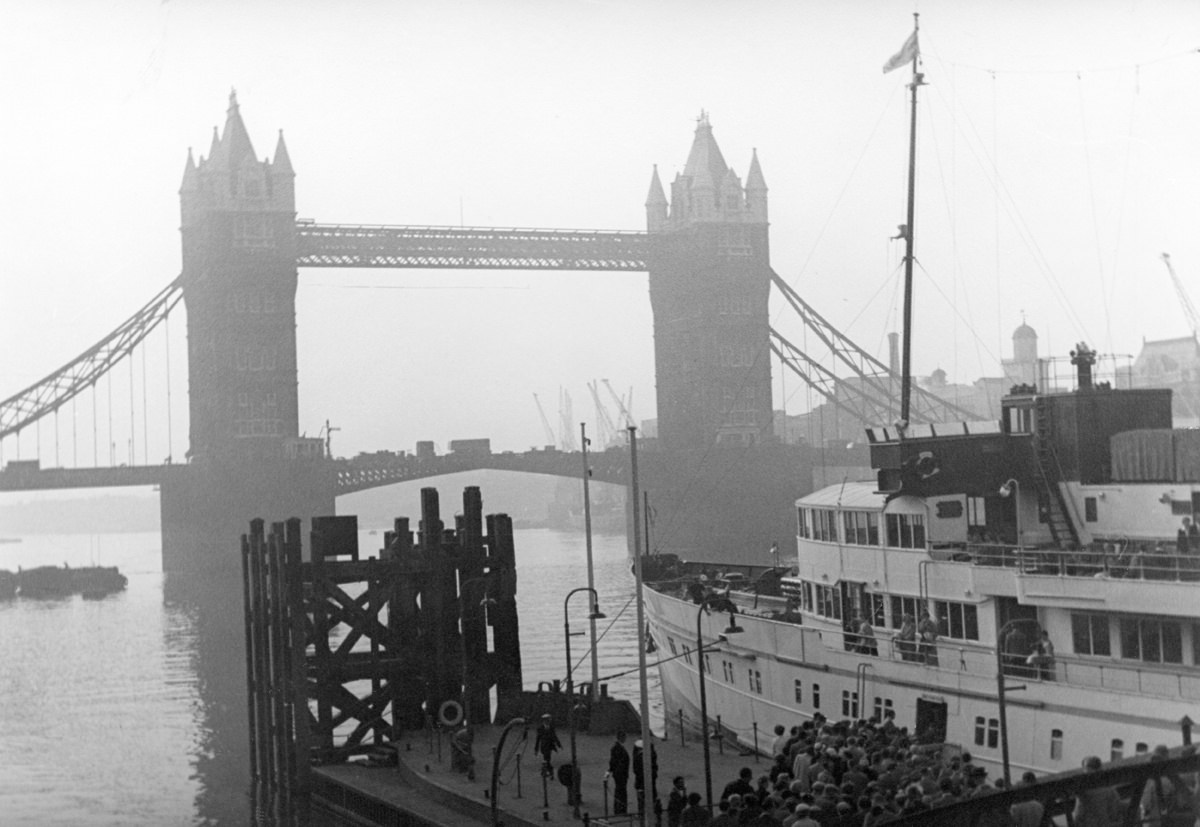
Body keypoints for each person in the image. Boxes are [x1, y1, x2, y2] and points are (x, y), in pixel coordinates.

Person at [1073, 755, 1123, 826]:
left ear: (1086, 770)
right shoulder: (1110, 790)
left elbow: (1078, 815)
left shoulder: (1083, 793)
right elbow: (1114, 813)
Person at [633, 738, 659, 815]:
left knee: (642, 801)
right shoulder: (648, 756)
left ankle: (644, 814)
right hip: (646, 782)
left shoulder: (639, 757)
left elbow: (636, 770)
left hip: (642, 782)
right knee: (649, 799)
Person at [608, 730, 631, 814]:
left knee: (620, 791)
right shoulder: (617, 748)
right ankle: (620, 809)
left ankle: (620, 809)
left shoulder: (618, 747)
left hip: (620, 774)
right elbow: (615, 762)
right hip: (620, 774)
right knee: (621, 792)